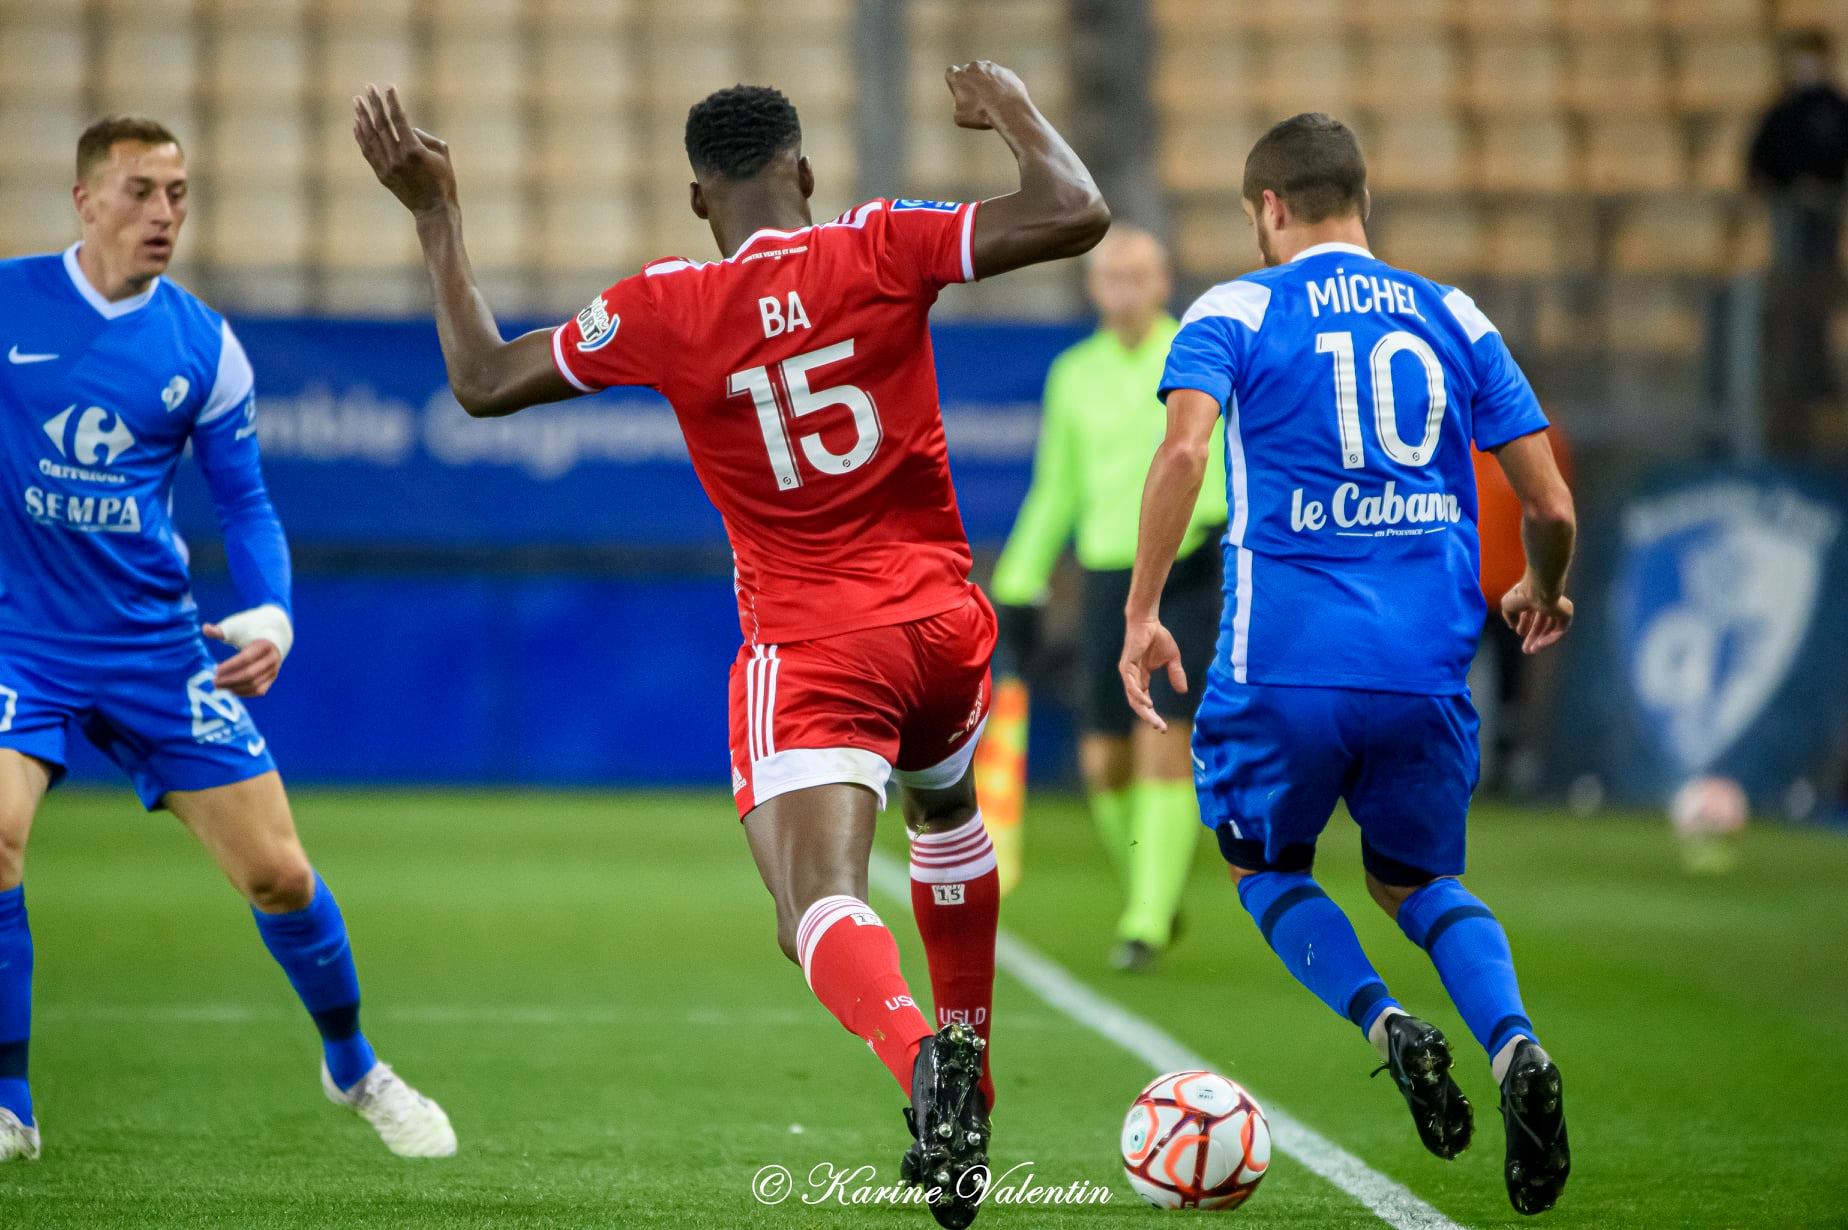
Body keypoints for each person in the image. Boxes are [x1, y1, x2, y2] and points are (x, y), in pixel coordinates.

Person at [356, 64, 1106, 1228]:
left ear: (700, 201)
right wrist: (1005, 100)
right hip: (945, 629)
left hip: (815, 646)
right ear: (804, 175)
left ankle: (922, 1063)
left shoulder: (666, 304)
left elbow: (483, 379)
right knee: (948, 817)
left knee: (812, 904)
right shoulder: (880, 245)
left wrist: (435, 214)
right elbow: (1074, 209)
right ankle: (975, 1080)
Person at [1119, 114, 1576, 1216]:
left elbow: (1185, 449)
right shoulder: (1455, 316)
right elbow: (1551, 502)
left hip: (1279, 665)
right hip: (1428, 669)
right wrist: (1543, 588)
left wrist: (1141, 611)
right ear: (1360, 200)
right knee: (1416, 881)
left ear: (1267, 208)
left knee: (1266, 869)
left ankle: (1387, 1024)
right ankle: (1515, 1046)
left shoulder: (1233, 307)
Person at [0, 117, 454, 1163]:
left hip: (158, 650)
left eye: (179, 193)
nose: (164, 214)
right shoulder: (12, 304)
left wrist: (272, 610)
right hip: (24, 645)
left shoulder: (202, 344)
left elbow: (246, 506)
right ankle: (11, 1104)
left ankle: (353, 1068)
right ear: (83, 200)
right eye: (142, 192)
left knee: (280, 877)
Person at [989, 227, 1226, 970]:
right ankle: (1150, 887)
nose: (1124, 290)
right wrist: (1018, 580)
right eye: (1111, 277)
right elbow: (1056, 486)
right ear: (1094, 290)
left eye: (1138, 276)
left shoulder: (1197, 352)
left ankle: (1146, 921)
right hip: (1107, 577)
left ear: (1164, 282)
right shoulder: (1073, 374)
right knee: (1102, 762)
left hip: (1190, 564)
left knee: (1165, 742)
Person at [1748, 28, 1848, 455]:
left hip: (1826, 229)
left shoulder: (1836, 110)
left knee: (1819, 304)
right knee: (1793, 310)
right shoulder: (1782, 112)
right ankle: (1794, 380)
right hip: (1790, 232)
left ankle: (1819, 375)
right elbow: (1758, 167)